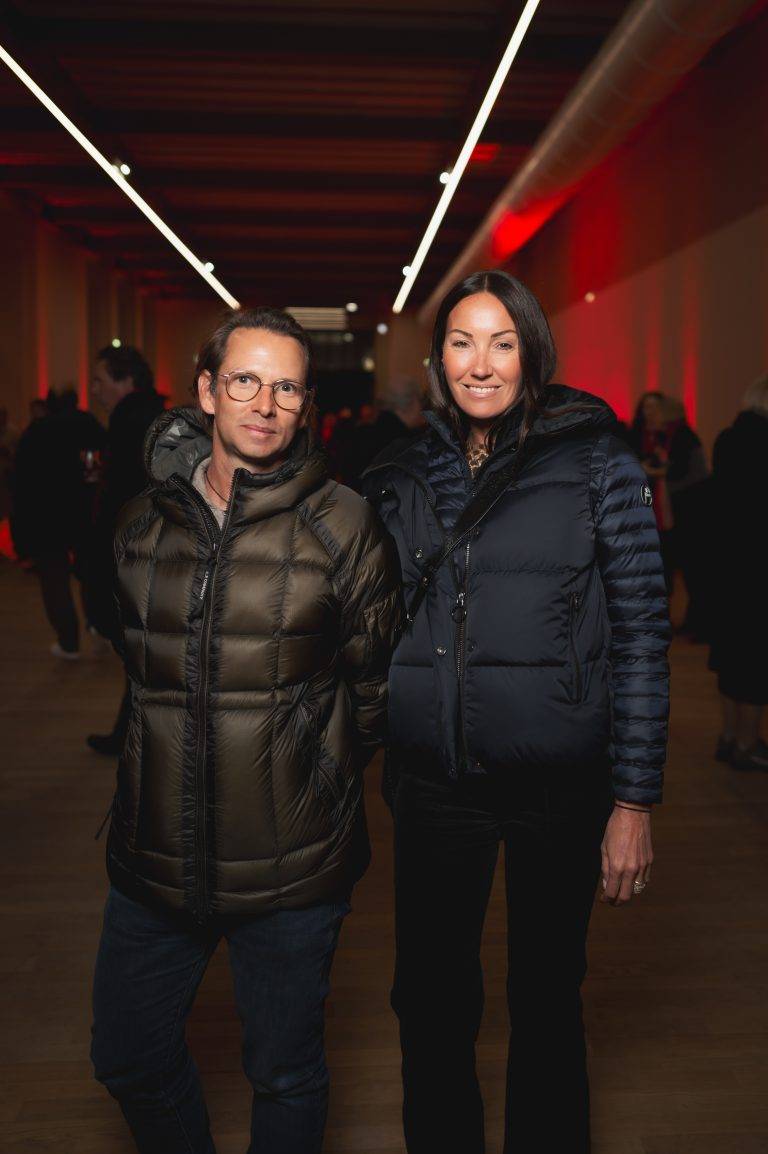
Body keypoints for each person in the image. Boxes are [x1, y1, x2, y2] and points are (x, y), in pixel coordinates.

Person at [363, 271, 670, 1154]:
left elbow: (643, 630)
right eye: (463, 341)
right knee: (429, 1002)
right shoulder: (407, 469)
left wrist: (634, 801)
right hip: (434, 780)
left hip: (556, 782)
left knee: (545, 997)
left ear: (533, 352)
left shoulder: (597, 460)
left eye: (502, 342)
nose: (481, 363)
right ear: (437, 358)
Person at [90, 306, 403, 1154]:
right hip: (155, 858)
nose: (264, 403)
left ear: (305, 407)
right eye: (244, 381)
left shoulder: (344, 525)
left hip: (292, 867)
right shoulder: (139, 527)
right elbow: (135, 663)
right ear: (206, 391)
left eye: (286, 387)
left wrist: (319, 778)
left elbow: (374, 691)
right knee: (128, 1058)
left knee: (287, 1074)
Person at [85, 345, 165, 755]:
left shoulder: (132, 419)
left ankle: (135, 738)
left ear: (124, 380)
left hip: (135, 553)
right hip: (148, 551)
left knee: (138, 652)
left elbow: (128, 494)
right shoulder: (153, 415)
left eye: (99, 380)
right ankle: (128, 735)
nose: (94, 390)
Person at [11, 387, 106, 657]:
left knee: (55, 579)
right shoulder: (87, 424)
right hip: (83, 511)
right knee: (90, 571)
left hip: (45, 517)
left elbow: (21, 482)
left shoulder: (36, 432)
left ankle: (68, 641)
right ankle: (98, 624)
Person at [708, 373, 768, 771]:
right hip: (758, 564)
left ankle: (729, 736)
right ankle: (749, 743)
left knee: (730, 655)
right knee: (756, 661)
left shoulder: (727, 438)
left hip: (727, 562)